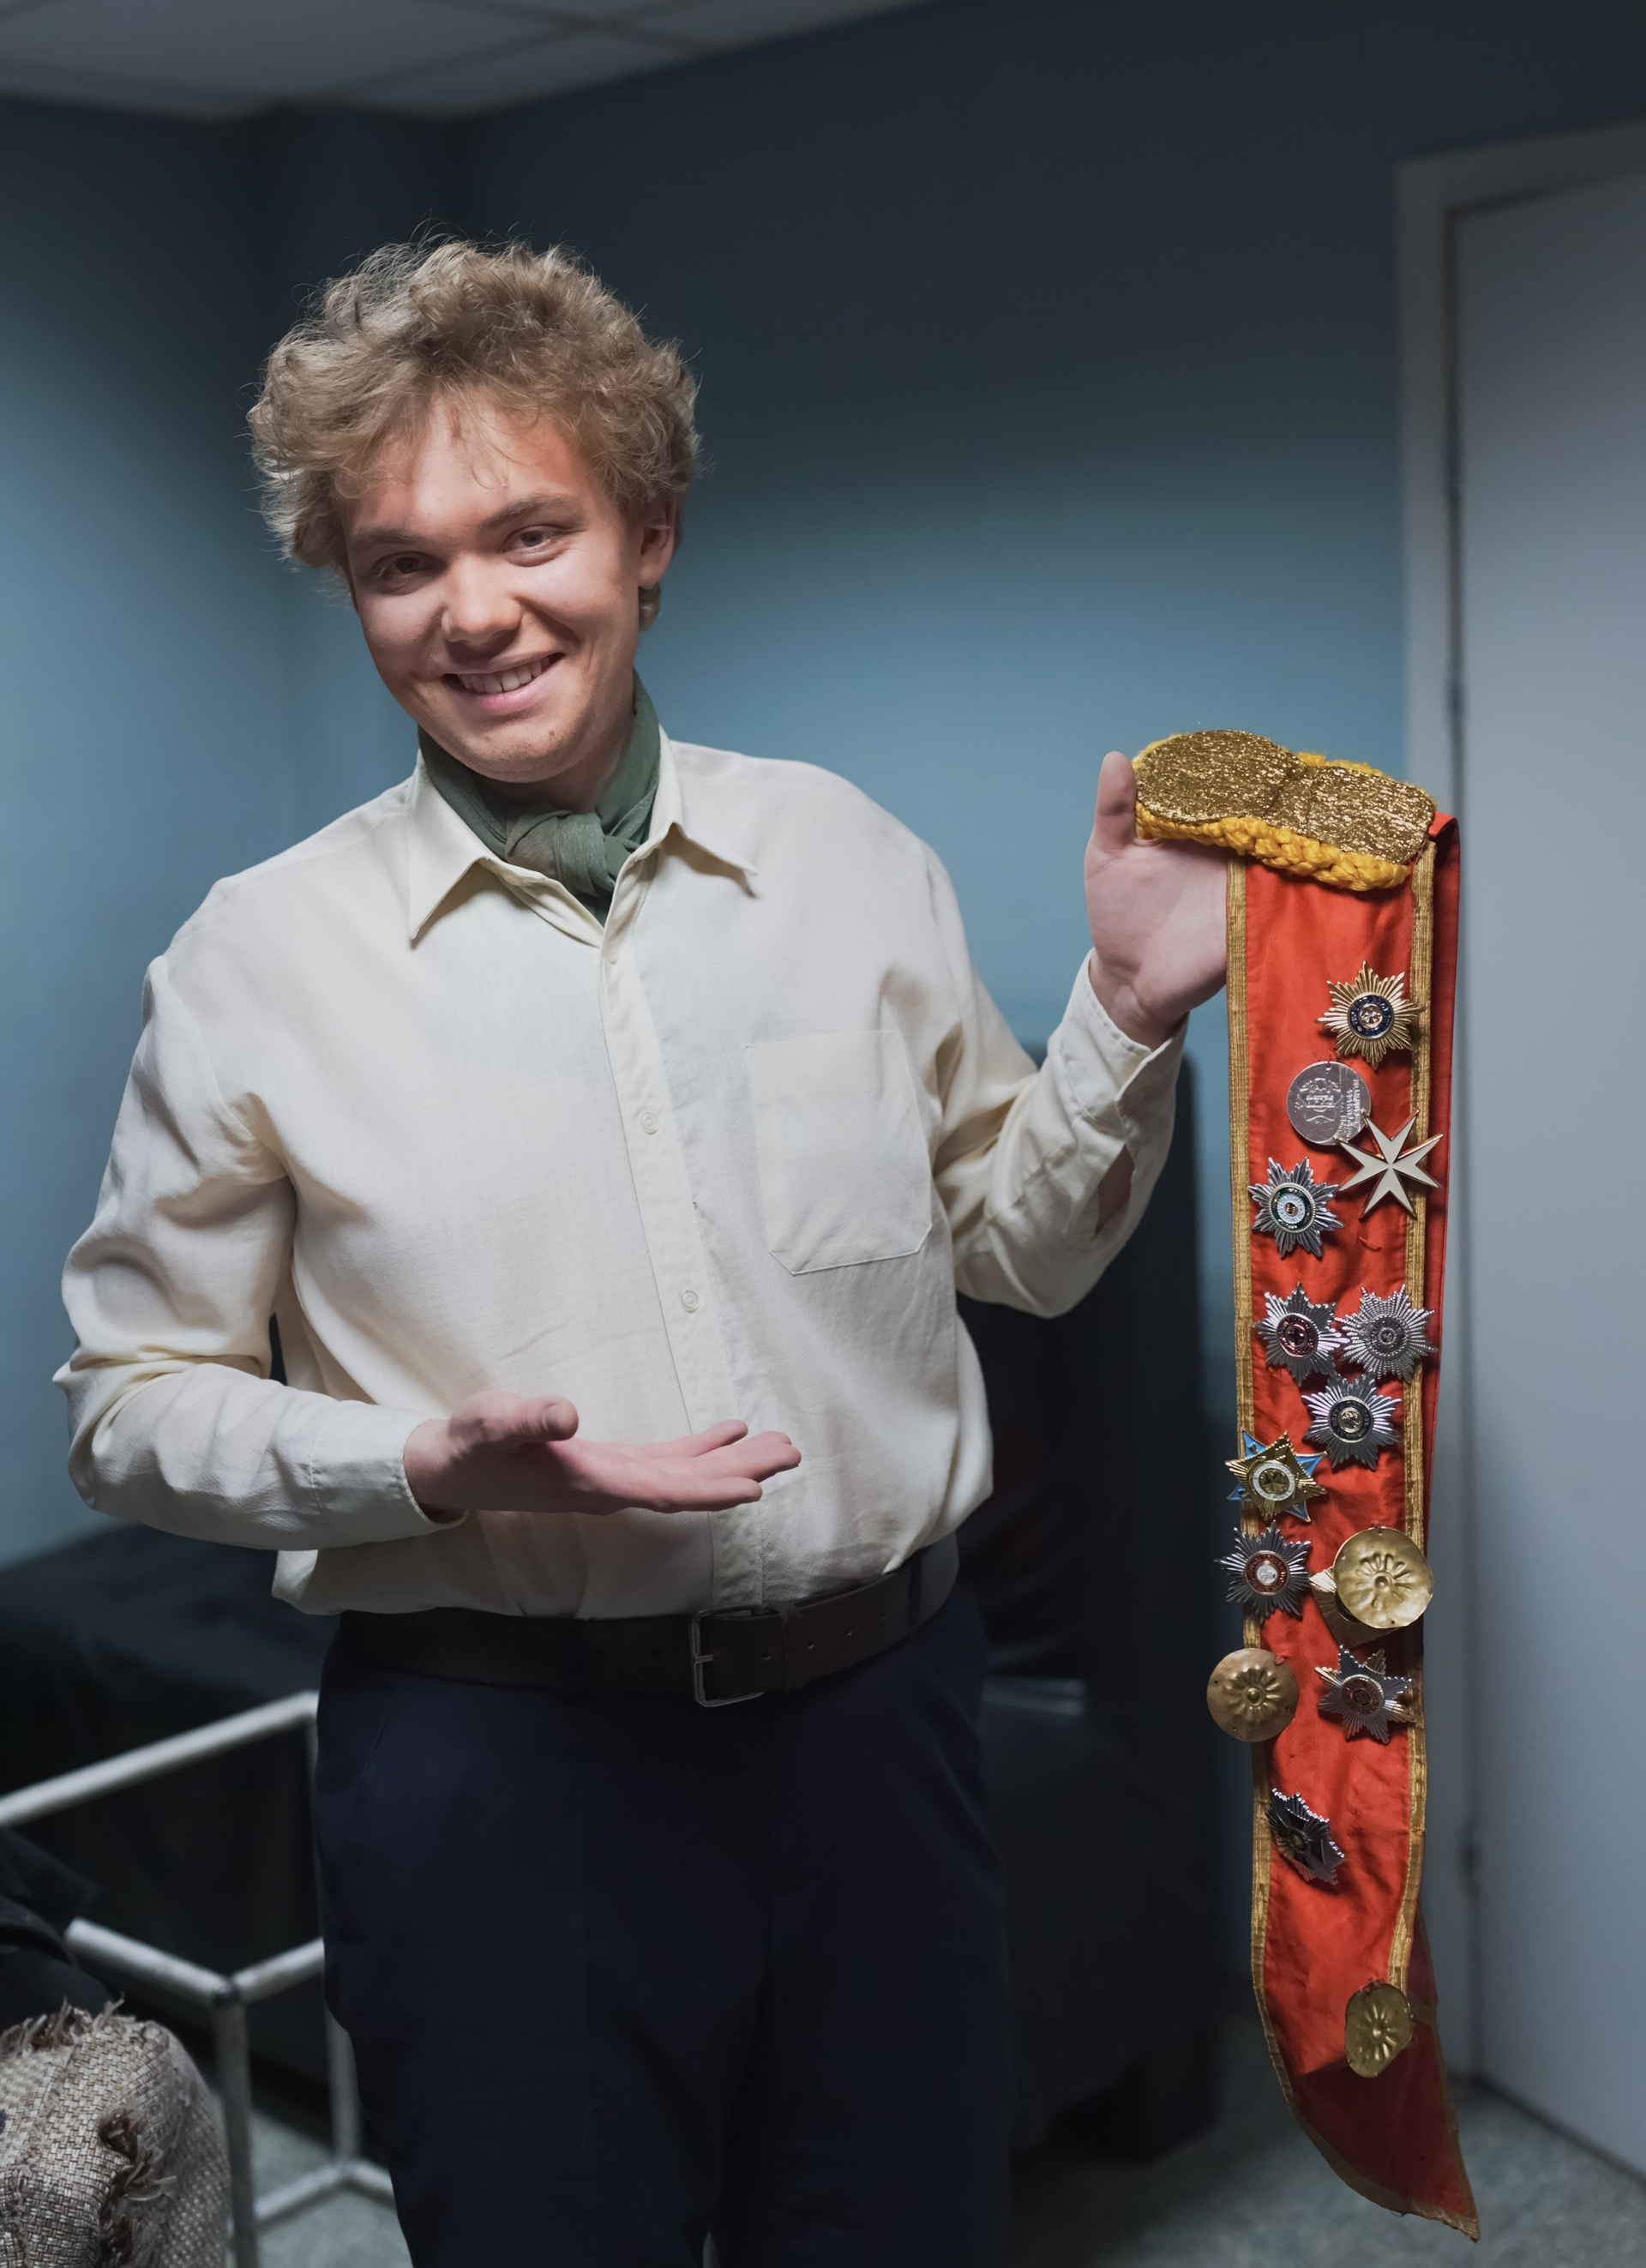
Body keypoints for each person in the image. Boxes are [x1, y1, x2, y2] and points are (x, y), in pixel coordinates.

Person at [57, 241, 1226, 2267]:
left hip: (881, 1737)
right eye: (403, 563)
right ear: (352, 591)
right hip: (502, 1768)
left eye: (533, 533)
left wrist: (1123, 1017)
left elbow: (1024, 1253)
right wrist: (415, 1464)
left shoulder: (848, 859)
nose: (476, 610)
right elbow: (122, 1409)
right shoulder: (255, 963)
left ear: (649, 536)